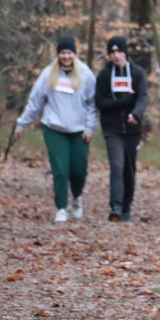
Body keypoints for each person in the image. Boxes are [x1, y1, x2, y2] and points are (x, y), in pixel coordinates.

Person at [15, 37, 99, 222]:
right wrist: (22, 123)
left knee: (79, 170)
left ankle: (77, 198)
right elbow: (35, 101)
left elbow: (93, 104)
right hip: (55, 129)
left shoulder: (85, 74)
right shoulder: (48, 75)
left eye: (69, 53)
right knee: (60, 169)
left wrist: (90, 127)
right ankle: (61, 207)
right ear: (58, 55)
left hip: (79, 131)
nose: (66, 56)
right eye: (63, 53)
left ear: (75, 54)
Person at [95, 36, 149, 222]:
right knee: (116, 166)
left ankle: (126, 207)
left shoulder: (137, 73)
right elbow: (100, 102)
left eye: (119, 52)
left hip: (133, 130)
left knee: (129, 169)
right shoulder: (104, 75)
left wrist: (136, 114)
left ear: (125, 53)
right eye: (112, 53)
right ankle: (116, 207)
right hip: (112, 129)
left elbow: (142, 97)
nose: (116, 56)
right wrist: (123, 101)